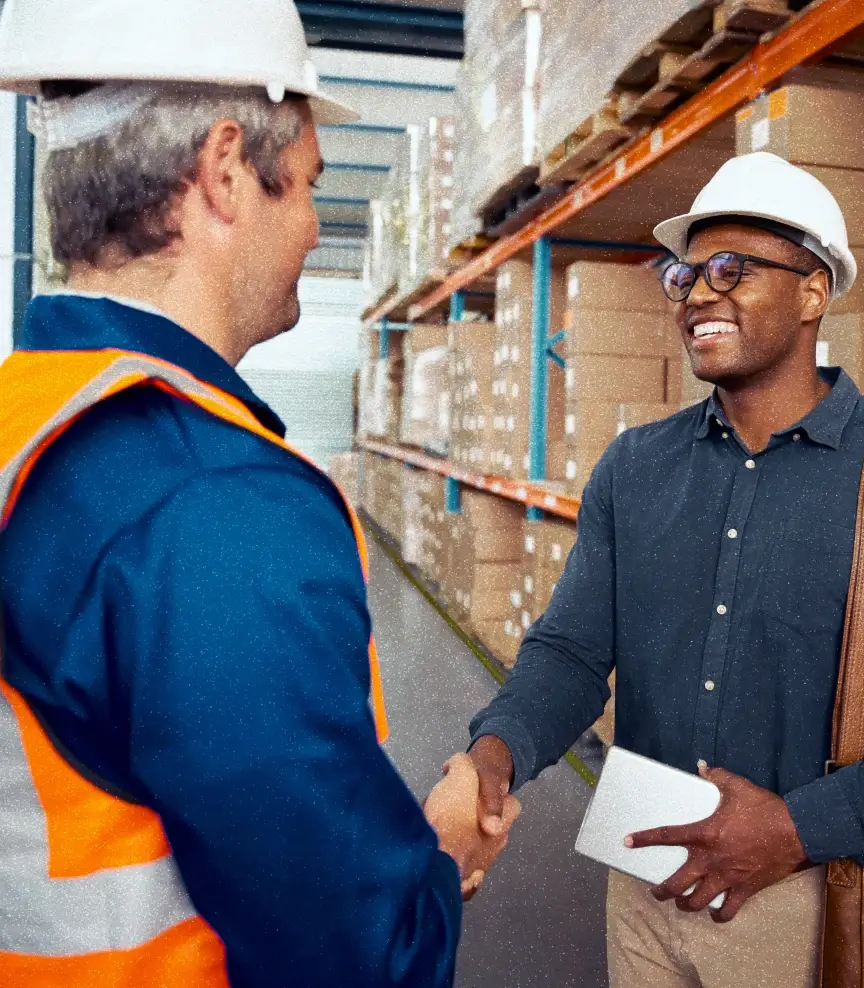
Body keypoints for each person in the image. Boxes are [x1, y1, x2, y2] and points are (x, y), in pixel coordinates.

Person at [0, 1, 518, 985]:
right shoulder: (209, 503)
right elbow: (352, 955)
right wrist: (443, 854)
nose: (320, 226)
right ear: (226, 170)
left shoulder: (23, 416)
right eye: (314, 186)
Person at [455, 152, 864, 986]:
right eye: (687, 274)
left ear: (814, 291)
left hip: (813, 900)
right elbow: (569, 653)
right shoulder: (635, 469)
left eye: (732, 270)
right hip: (641, 882)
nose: (700, 293)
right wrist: (493, 756)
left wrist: (800, 828)